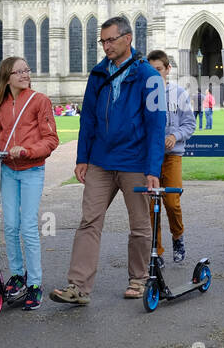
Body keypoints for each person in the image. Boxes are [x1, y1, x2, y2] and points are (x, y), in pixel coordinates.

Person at [50, 16, 166, 305]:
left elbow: (156, 125)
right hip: (101, 161)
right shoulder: (98, 74)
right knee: (89, 221)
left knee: (140, 224)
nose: (106, 46)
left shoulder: (149, 77)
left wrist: (153, 169)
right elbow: (87, 118)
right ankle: (78, 286)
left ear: (128, 39)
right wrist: (82, 157)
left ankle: (139, 279)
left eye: (111, 40)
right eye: (102, 41)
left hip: (134, 162)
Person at [0, 56, 60, 310]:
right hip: (8, 171)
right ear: (7, 77)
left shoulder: (40, 101)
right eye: (19, 71)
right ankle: (17, 274)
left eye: (27, 69)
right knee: (11, 226)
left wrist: (26, 150)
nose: (26, 74)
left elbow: (51, 139)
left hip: (31, 170)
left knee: (27, 226)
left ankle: (35, 283)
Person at [146, 51, 195, 263]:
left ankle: (178, 236)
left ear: (167, 69)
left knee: (172, 202)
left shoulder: (180, 93)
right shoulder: (144, 94)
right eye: (151, 70)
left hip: (172, 156)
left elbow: (189, 124)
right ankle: (156, 251)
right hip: (149, 158)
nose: (155, 74)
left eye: (158, 69)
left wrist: (175, 136)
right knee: (151, 206)